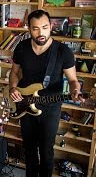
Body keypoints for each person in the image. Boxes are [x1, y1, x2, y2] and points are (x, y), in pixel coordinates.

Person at [9, 10, 84, 177]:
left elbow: (73, 80)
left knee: (46, 151)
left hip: (50, 108)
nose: (40, 32)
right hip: (26, 105)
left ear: (50, 26)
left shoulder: (63, 52)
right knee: (29, 149)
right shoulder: (21, 48)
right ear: (29, 29)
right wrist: (13, 88)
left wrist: (75, 91)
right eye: (35, 28)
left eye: (44, 27)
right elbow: (14, 73)